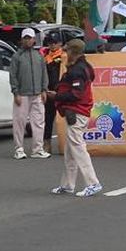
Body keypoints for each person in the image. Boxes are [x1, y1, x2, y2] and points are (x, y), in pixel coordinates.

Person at [48, 39, 101, 197]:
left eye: (67, 51)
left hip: (77, 111)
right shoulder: (83, 67)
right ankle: (67, 185)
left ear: (73, 52)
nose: (65, 53)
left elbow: (76, 94)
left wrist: (56, 96)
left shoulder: (77, 70)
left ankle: (93, 182)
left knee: (77, 148)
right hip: (78, 111)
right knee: (71, 150)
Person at [8, 28, 49, 160]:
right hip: (22, 94)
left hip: (37, 93)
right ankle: (19, 149)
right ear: (22, 40)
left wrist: (44, 89)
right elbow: (13, 75)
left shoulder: (39, 56)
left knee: (38, 122)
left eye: (29, 38)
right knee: (19, 122)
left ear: (34, 39)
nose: (27, 40)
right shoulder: (17, 56)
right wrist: (16, 92)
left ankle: (37, 149)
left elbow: (44, 73)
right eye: (25, 38)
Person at [42, 32, 64, 155]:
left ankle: (66, 143)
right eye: (50, 43)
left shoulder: (65, 57)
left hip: (62, 92)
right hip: (49, 92)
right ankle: (47, 143)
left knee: (65, 119)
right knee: (48, 118)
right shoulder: (45, 58)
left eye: (55, 42)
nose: (53, 45)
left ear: (60, 43)